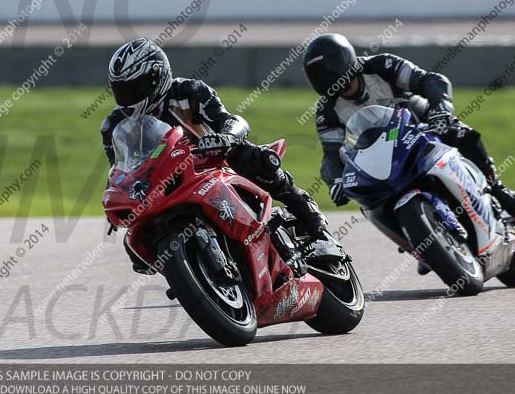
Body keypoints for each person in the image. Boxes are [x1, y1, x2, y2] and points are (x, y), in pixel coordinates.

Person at [102, 37, 327, 275]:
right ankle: (194, 273)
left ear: (156, 77)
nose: (127, 97)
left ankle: (310, 218)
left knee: (259, 160)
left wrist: (225, 137)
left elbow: (231, 120)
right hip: (167, 179)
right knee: (135, 245)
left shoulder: (189, 91)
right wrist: (118, 199)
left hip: (216, 161)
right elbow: (119, 170)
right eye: (121, 90)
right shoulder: (114, 125)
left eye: (134, 88)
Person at [303, 33, 515, 271]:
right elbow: (331, 154)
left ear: (345, 60)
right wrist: (336, 180)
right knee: (366, 198)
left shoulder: (381, 65)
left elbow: (431, 80)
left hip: (419, 124)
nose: (325, 77)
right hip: (377, 157)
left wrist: (441, 110)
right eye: (317, 75)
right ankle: (421, 244)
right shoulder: (327, 111)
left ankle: (496, 187)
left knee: (458, 132)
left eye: (327, 69)